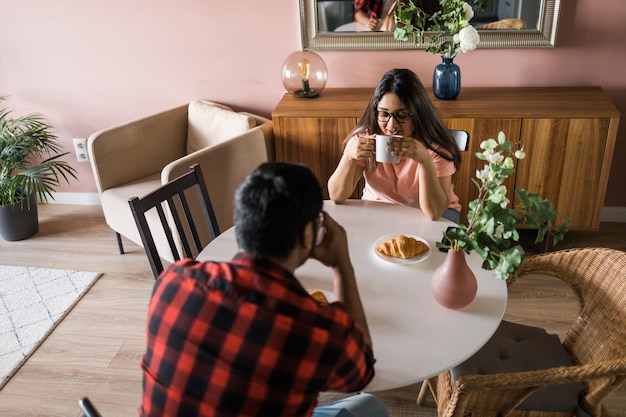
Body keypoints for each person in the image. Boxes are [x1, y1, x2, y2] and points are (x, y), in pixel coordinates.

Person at [140, 162, 388, 417]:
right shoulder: (313, 331)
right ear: (307, 235)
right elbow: (360, 373)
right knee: (371, 407)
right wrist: (342, 265)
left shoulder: (174, 280)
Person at [327, 68, 462, 223]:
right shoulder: (367, 140)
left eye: (402, 115)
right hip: (379, 209)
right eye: (384, 114)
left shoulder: (436, 148)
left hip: (432, 215)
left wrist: (425, 161)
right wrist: (348, 156)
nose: (392, 125)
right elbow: (336, 197)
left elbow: (434, 213)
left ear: (418, 114)